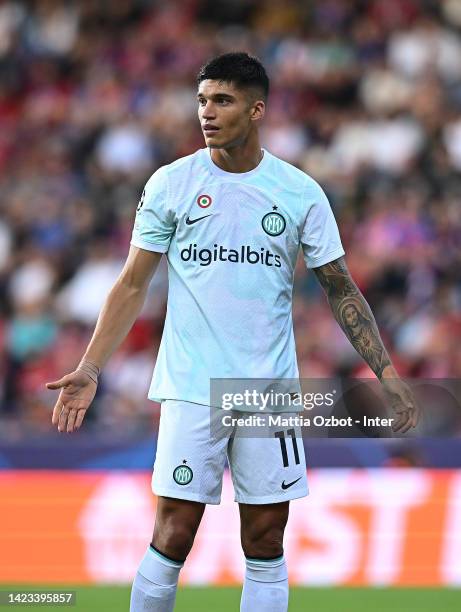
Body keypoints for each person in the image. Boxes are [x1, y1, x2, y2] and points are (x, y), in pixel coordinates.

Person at [46, 52, 419, 611]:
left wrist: (386, 372)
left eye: (222, 100)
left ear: (257, 108)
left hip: (268, 390)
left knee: (265, 541)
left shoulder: (298, 193)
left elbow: (341, 288)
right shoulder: (172, 184)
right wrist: (91, 366)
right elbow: (131, 285)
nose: (207, 112)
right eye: (202, 100)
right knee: (172, 534)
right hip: (193, 386)